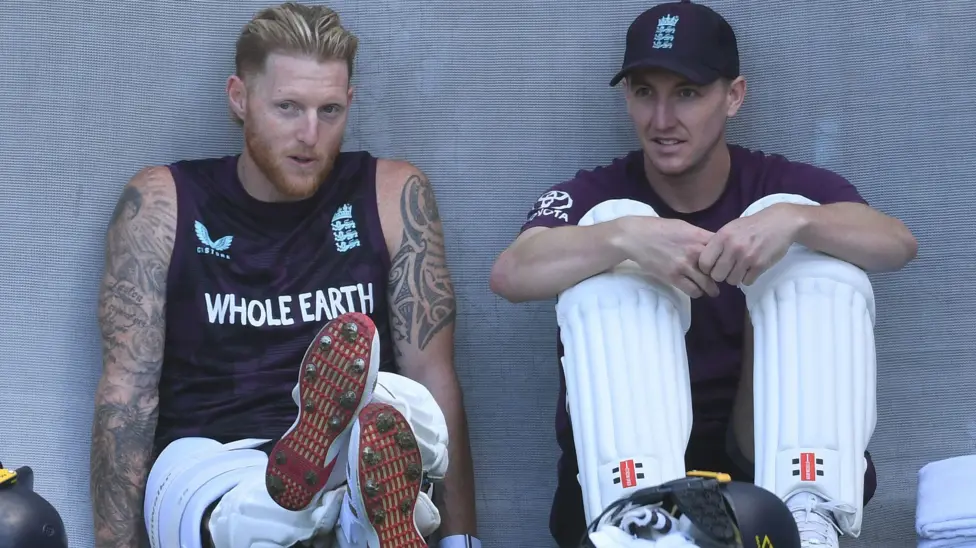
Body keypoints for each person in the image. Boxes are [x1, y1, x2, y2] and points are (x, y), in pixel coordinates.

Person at [489, 1, 917, 547]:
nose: (662, 120)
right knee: (606, 233)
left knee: (816, 247)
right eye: (645, 92)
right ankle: (636, 521)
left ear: (733, 96)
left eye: (686, 93)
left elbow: (896, 244)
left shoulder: (777, 182)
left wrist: (797, 220)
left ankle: (809, 513)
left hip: (760, 462)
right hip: (626, 474)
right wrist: (623, 238)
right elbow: (510, 273)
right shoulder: (595, 194)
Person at [90, 3, 479, 547]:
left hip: (359, 449)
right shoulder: (164, 202)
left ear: (351, 105)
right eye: (288, 107)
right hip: (212, 460)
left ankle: (360, 505)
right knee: (254, 519)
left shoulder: (392, 193)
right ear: (239, 98)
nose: (310, 134)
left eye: (330, 110)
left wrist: (465, 543)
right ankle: (334, 517)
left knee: (400, 403)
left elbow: (436, 377)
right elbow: (126, 395)